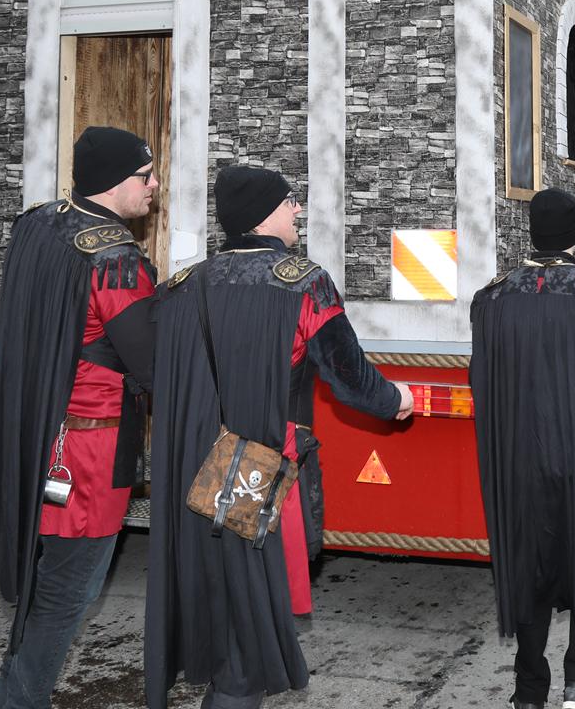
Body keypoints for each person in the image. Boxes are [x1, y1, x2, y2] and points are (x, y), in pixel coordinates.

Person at [147, 165, 413, 709]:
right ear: (265, 214)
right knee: (250, 632)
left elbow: (146, 368)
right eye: (290, 202)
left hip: (193, 472)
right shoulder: (304, 282)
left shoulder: (183, 284)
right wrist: (397, 400)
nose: (297, 210)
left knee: (224, 615)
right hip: (260, 474)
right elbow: (348, 376)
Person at [0, 126, 160, 709]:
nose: (155, 185)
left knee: (43, 585)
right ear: (114, 182)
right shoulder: (115, 258)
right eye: (145, 175)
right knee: (66, 594)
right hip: (88, 447)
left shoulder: (39, 223)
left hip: (33, 428)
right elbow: (152, 364)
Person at [464, 187, 575, 709]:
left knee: (527, 564)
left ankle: (528, 690)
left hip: (517, 455)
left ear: (532, 231)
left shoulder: (491, 297)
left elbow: (482, 384)